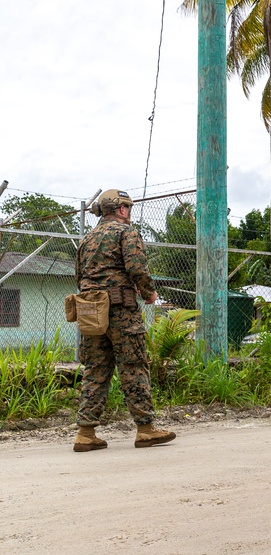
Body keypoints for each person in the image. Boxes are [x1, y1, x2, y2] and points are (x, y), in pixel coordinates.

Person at [73, 189, 175, 452]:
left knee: (95, 370)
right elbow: (137, 268)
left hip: (92, 311)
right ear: (121, 209)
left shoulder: (86, 239)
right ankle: (145, 429)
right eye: (128, 208)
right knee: (133, 366)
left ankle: (85, 433)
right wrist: (149, 292)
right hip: (121, 309)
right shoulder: (125, 232)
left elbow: (79, 276)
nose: (129, 213)